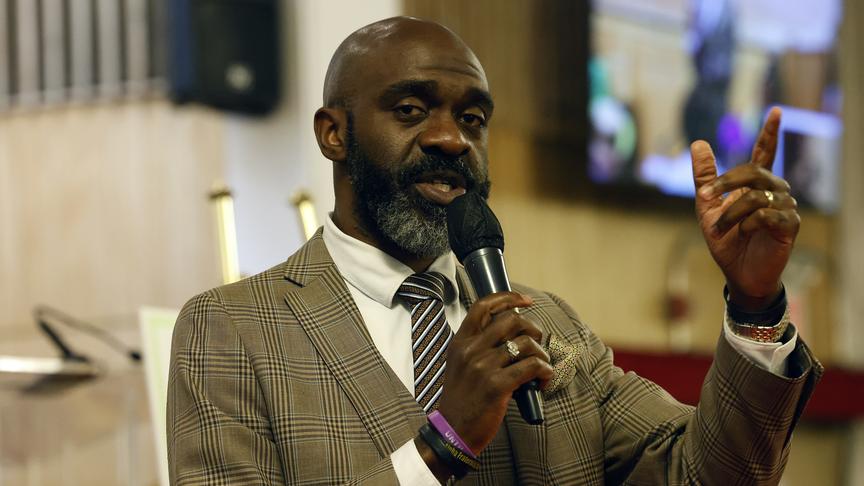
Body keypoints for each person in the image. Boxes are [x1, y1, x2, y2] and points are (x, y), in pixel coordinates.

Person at [168, 17, 821, 485]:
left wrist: (754, 303)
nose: (452, 139)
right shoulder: (231, 331)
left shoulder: (551, 327)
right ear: (333, 133)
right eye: (411, 109)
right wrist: (443, 441)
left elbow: (706, 475)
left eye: (473, 119)